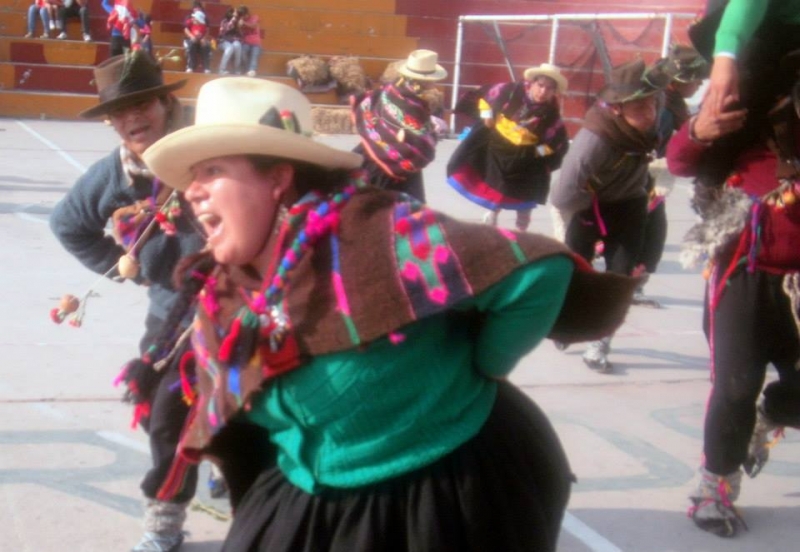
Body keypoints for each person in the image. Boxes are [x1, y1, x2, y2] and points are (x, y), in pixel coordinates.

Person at [141, 76, 639, 552]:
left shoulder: (378, 236)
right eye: (192, 176)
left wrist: (487, 363)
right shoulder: (227, 292)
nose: (191, 190)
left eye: (211, 170)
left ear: (277, 177)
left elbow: (537, 274)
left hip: (443, 490)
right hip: (308, 492)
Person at [48, 51, 205, 552]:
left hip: (243, 309)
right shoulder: (113, 176)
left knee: (257, 415)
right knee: (167, 421)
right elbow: (68, 225)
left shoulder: (209, 146)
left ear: (164, 100)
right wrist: (124, 270)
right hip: (170, 320)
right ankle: (165, 523)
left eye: (141, 103)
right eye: (118, 111)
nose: (131, 117)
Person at [667, 30, 800, 545]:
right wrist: (699, 128)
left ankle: (775, 412)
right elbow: (679, 161)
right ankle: (714, 486)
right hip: (744, 276)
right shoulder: (746, 123)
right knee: (736, 387)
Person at [549, 58, 662, 373]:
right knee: (574, 272)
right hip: (589, 205)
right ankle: (567, 324)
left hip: (630, 205)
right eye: (638, 108)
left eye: (651, 105)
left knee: (620, 278)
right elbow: (562, 194)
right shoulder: (594, 139)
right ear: (617, 110)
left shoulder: (650, 129)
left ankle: (599, 344)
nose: (649, 113)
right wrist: (587, 205)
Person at [447, 63, 570, 231]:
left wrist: (536, 153)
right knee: (497, 187)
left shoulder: (551, 113)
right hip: (498, 148)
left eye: (549, 88)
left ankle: (522, 230)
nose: (543, 92)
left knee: (525, 196)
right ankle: (493, 215)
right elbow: (483, 97)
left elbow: (557, 144)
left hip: (525, 158)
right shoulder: (510, 91)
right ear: (532, 83)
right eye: (540, 85)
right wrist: (487, 116)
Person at [632, 45, 710, 307]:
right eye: (697, 78)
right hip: (643, 180)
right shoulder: (663, 109)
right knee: (644, 233)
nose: (700, 83)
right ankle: (624, 285)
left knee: (652, 233)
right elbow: (652, 148)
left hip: (654, 180)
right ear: (679, 81)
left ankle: (632, 285)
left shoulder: (671, 104)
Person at [351, 49, 447, 203]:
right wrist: (433, 133)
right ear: (424, 80)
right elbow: (422, 146)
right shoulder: (413, 106)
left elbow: (370, 107)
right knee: (394, 215)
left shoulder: (391, 89)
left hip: (368, 154)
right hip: (391, 168)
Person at [183, 1, 212, 73]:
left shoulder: (204, 18)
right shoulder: (189, 18)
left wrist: (204, 38)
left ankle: (206, 68)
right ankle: (190, 67)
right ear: (193, 9)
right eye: (195, 8)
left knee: (206, 46)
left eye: (198, 8)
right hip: (191, 39)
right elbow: (186, 29)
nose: (197, 9)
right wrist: (192, 37)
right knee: (192, 44)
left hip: (202, 39)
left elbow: (207, 30)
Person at [237, 5, 261, 77]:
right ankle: (247, 69)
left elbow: (253, 26)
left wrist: (244, 23)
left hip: (255, 42)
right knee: (243, 54)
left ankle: (252, 70)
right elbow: (240, 33)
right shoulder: (241, 21)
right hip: (246, 42)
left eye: (244, 15)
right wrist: (239, 26)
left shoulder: (254, 17)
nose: (244, 17)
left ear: (247, 13)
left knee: (254, 55)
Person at [217, 7, 243, 75]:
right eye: (234, 14)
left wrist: (239, 27)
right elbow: (223, 32)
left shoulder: (237, 22)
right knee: (229, 48)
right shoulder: (224, 21)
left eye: (236, 14)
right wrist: (232, 21)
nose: (235, 15)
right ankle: (221, 69)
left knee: (237, 45)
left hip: (233, 41)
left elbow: (240, 35)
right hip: (223, 41)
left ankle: (237, 69)